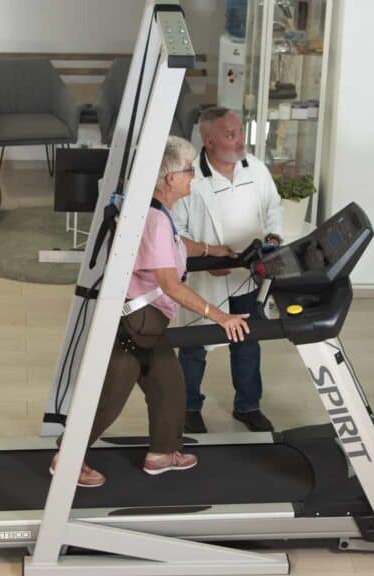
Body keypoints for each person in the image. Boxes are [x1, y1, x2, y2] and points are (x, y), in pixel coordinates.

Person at [51, 136, 252, 488]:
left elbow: (176, 244)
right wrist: (221, 316)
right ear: (170, 179)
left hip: (146, 322)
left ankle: (162, 453)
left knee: (170, 386)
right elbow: (171, 285)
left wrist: (214, 250)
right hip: (136, 324)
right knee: (110, 397)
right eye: (189, 171)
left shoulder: (156, 210)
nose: (194, 176)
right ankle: (66, 459)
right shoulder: (155, 219)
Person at [171, 106, 283, 434]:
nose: (240, 142)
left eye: (240, 133)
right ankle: (189, 407)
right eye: (230, 135)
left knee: (248, 342)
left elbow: (273, 207)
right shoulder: (190, 181)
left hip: (249, 274)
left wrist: (273, 236)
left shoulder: (257, 170)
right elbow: (174, 232)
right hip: (207, 277)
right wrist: (207, 257)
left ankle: (248, 406)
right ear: (209, 141)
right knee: (195, 345)